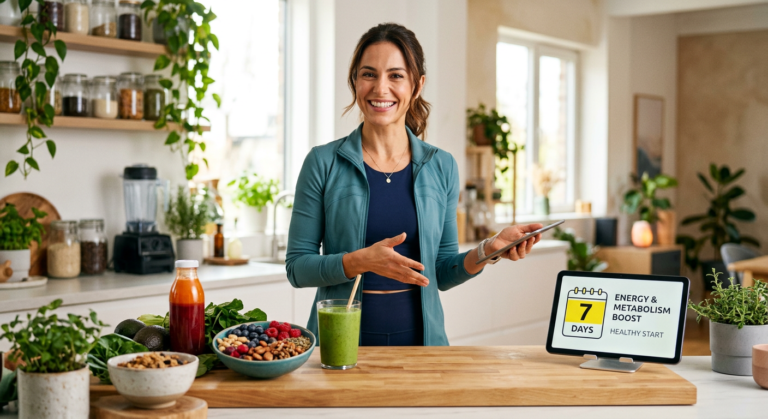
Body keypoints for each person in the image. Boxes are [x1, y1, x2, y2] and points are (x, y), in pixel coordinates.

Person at [285, 23, 543, 346]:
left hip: (423, 348)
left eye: (396, 75)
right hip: (341, 347)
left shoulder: (441, 166)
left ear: (417, 85)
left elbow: (442, 272)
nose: (380, 88)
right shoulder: (322, 163)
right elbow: (297, 268)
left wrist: (489, 250)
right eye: (368, 74)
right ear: (354, 81)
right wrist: (360, 261)